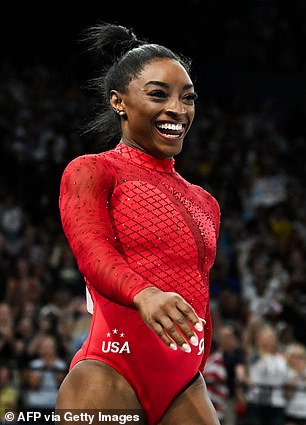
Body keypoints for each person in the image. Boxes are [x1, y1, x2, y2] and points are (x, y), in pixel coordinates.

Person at [56, 22, 221, 425]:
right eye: (158, 95)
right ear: (119, 102)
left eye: (188, 98)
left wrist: (201, 350)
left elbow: (196, 287)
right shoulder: (93, 170)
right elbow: (92, 251)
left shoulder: (206, 201)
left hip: (184, 378)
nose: (177, 110)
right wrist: (144, 294)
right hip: (111, 367)